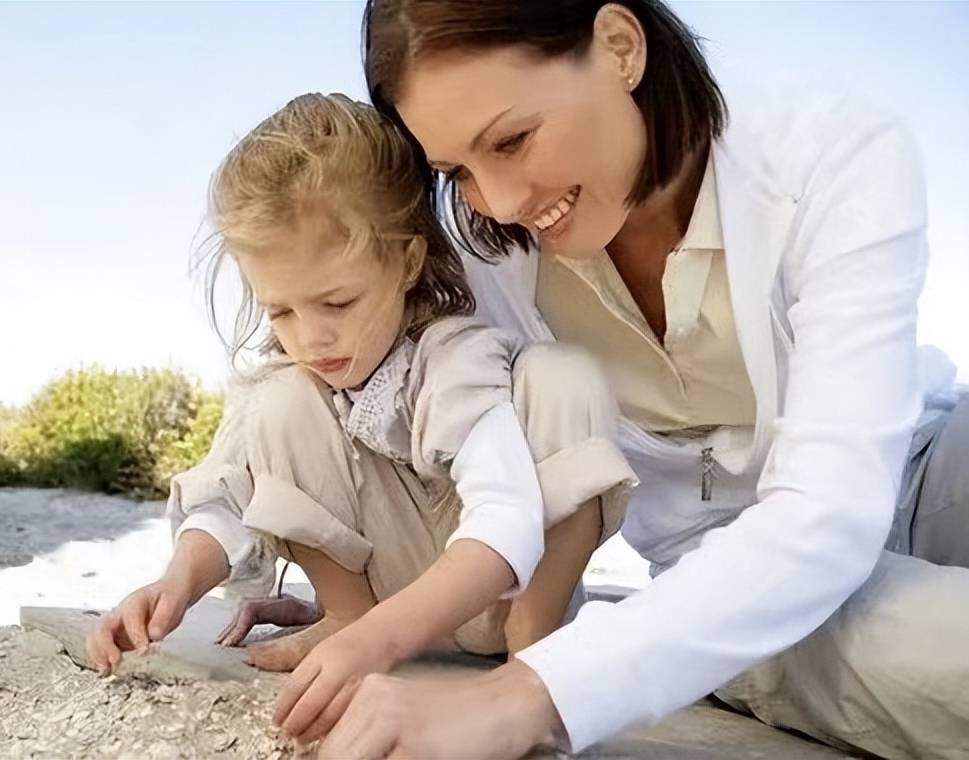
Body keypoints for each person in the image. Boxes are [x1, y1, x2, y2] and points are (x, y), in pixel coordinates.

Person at [313, 2, 969, 759]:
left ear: (621, 47)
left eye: (512, 139)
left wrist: (525, 697)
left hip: (927, 463)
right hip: (729, 567)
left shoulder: (832, 154)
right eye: (456, 171)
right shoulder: (488, 263)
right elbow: (365, 374)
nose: (497, 202)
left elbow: (833, 502)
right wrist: (341, 584)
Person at [85, 93, 636, 742]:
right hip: (381, 607)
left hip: (502, 598)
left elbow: (507, 521)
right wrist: (176, 585)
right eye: (281, 312)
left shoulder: (455, 354)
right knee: (276, 400)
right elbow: (227, 493)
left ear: (405, 262)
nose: (311, 338)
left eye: (337, 302)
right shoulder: (298, 379)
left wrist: (382, 639)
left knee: (562, 379)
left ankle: (532, 659)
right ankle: (344, 615)